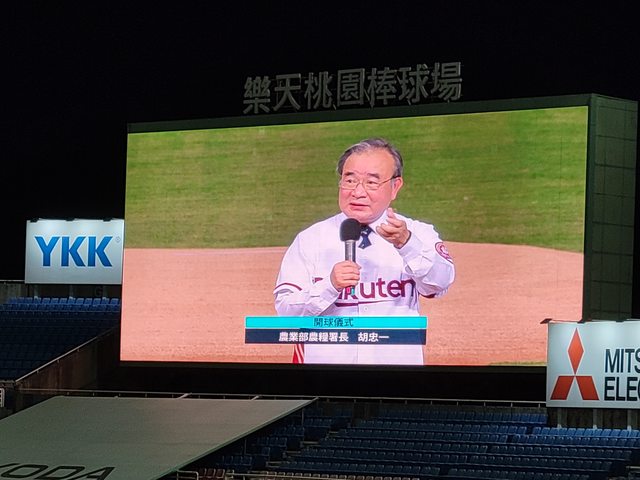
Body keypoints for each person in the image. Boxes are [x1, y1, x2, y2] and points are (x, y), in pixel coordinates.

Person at [273, 138, 455, 365]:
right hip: (323, 375)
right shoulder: (311, 239)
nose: (358, 192)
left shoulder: (417, 233)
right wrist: (329, 286)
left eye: (371, 182)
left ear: (395, 187)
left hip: (398, 374)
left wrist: (407, 244)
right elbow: (286, 313)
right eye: (350, 180)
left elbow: (439, 283)